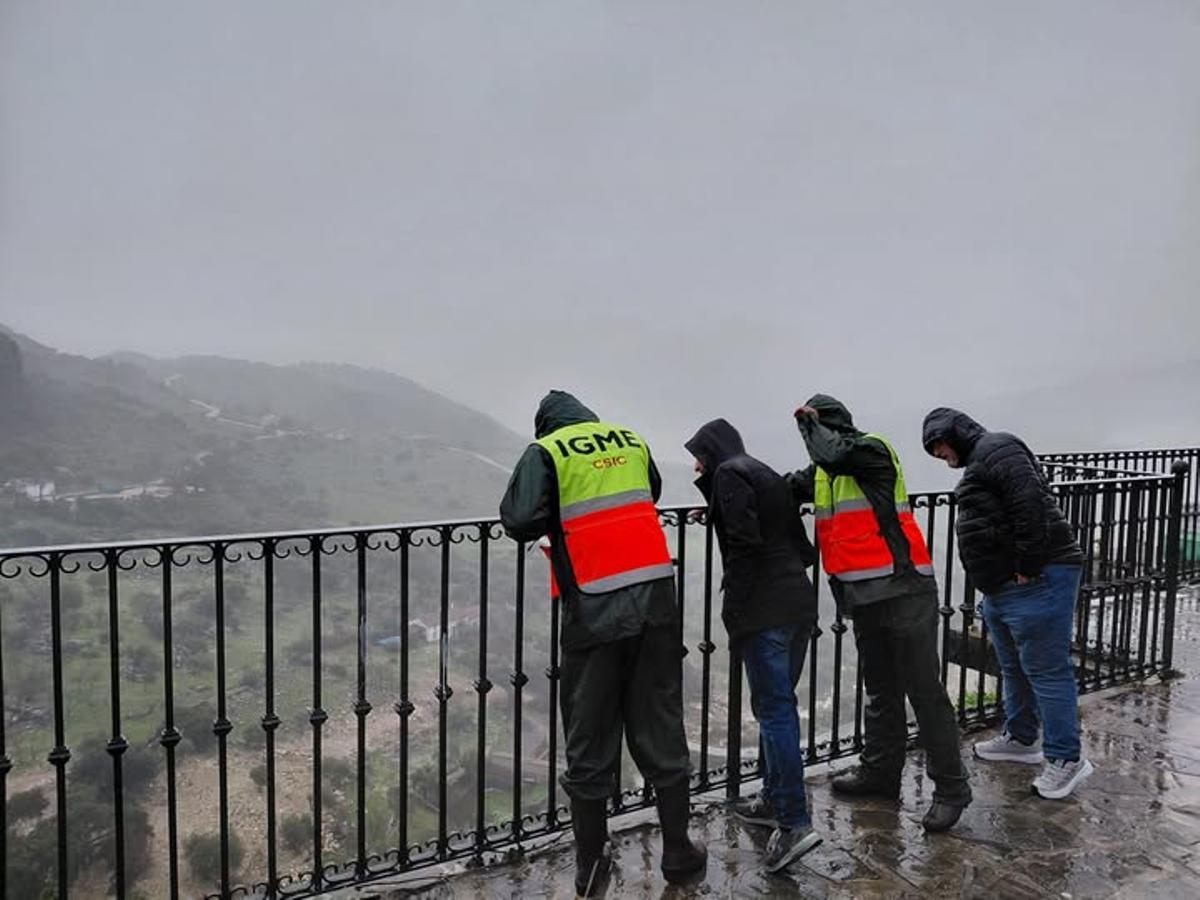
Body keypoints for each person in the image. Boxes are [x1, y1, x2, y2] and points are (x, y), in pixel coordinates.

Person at [500, 390, 706, 896]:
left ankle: (591, 866)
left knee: (589, 738)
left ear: (545, 426)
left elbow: (520, 519)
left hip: (594, 612)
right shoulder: (630, 440)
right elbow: (650, 493)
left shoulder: (546, 451)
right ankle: (678, 851)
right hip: (657, 603)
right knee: (660, 723)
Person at [788, 394, 971, 832]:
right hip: (865, 597)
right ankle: (880, 772)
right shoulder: (824, 473)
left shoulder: (870, 450)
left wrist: (810, 426)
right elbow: (778, 488)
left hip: (906, 590)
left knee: (924, 692)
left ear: (831, 427)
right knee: (880, 689)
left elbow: (835, 453)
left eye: (817, 429)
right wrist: (719, 483)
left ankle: (951, 789)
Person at [921, 407, 1092, 799]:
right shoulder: (983, 458)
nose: (941, 456)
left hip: (1038, 576)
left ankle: (1067, 759)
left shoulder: (997, 447)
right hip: (1003, 586)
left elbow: (1028, 502)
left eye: (939, 446)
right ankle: (1021, 738)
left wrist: (1028, 565)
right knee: (1012, 665)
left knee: (1046, 670)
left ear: (954, 432)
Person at [685, 418, 822, 872]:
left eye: (699, 457)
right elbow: (803, 549)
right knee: (777, 707)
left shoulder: (728, 475)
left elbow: (744, 544)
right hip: (799, 602)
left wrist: (735, 610)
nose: (697, 467)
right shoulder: (762, 472)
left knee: (775, 711)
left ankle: (794, 822)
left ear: (713, 450)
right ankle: (770, 800)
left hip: (764, 610)